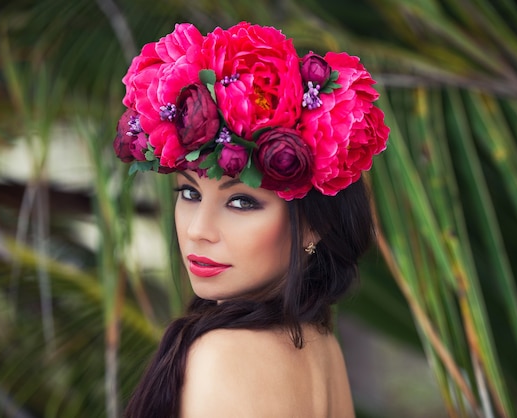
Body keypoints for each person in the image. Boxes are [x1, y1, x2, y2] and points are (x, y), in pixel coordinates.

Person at [113, 21, 389, 417]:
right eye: (189, 193)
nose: (198, 231)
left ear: (316, 224)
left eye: (241, 203)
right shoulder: (321, 348)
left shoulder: (222, 354)